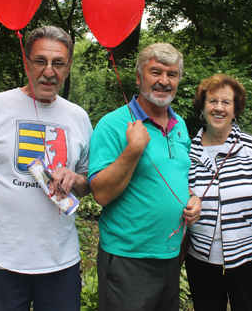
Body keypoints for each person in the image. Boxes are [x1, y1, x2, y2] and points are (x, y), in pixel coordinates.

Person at [0, 26, 92, 311]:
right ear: (26, 61)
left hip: (60, 264)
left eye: (58, 63)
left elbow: (88, 181)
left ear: (68, 68)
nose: (49, 71)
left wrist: (76, 178)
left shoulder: (78, 117)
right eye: (40, 60)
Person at [88, 43, 201, 311]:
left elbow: (177, 178)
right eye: (155, 72)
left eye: (171, 74)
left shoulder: (180, 125)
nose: (164, 81)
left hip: (171, 255)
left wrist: (193, 198)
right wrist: (134, 149)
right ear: (139, 78)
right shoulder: (112, 125)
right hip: (129, 259)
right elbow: (101, 194)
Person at [186, 74, 252, 311]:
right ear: (202, 108)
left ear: (235, 111)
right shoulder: (186, 153)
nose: (219, 107)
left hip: (250, 256)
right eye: (212, 101)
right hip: (201, 259)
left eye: (226, 102)